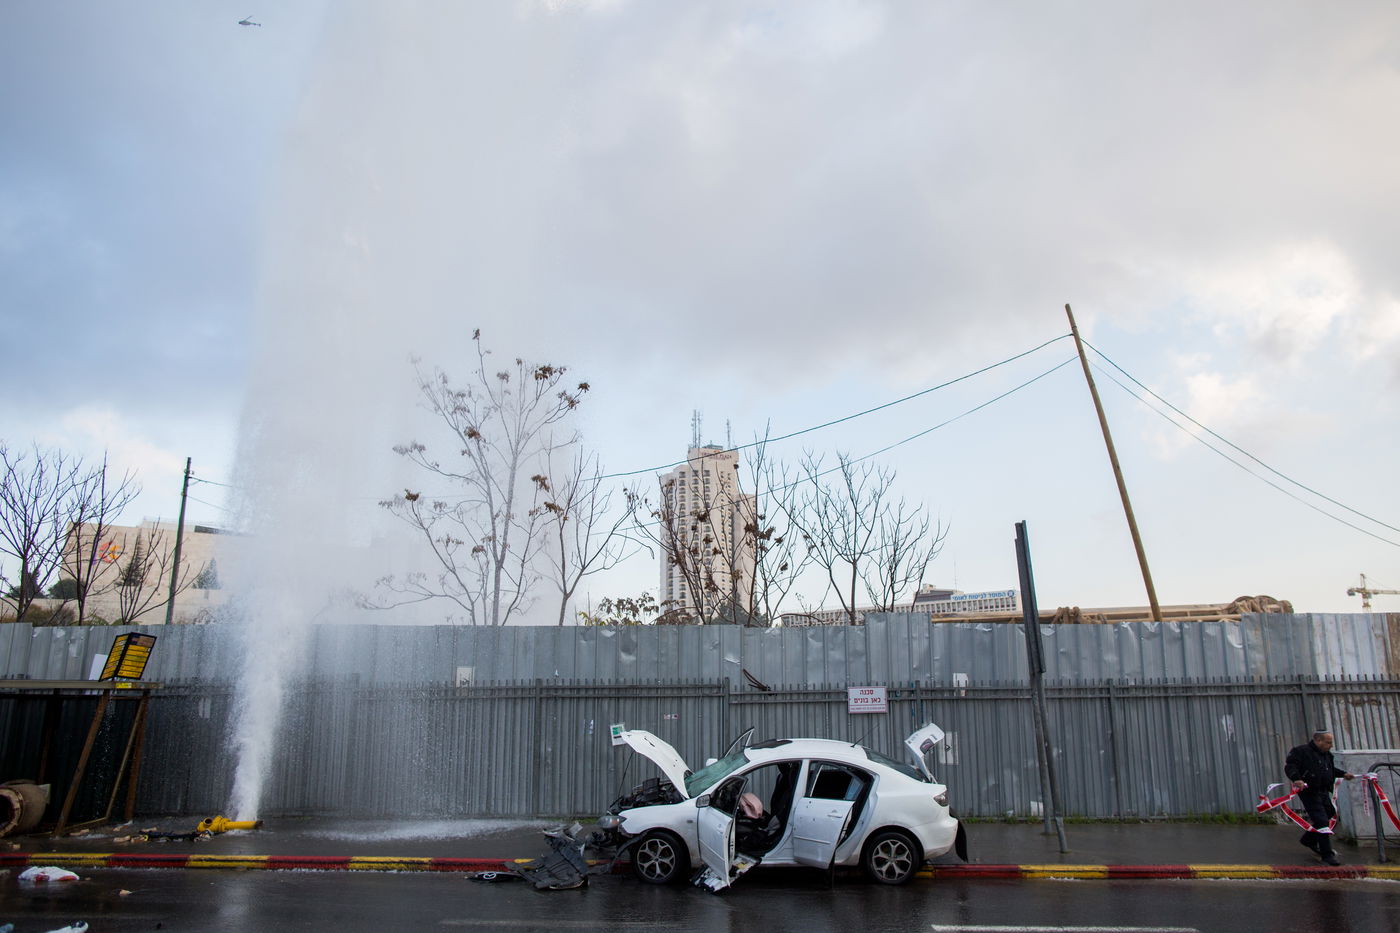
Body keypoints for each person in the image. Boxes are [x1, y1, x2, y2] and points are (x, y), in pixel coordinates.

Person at [1284, 730, 1355, 865]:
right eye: (1328, 742)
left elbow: (1330, 770)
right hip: (1309, 791)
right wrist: (1296, 779)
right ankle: (1327, 855)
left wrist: (1344, 774)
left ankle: (1309, 839)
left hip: (1322, 790)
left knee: (1329, 813)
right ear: (1318, 740)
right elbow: (1290, 766)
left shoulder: (1326, 755)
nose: (1330, 745)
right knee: (1322, 821)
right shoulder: (1302, 752)